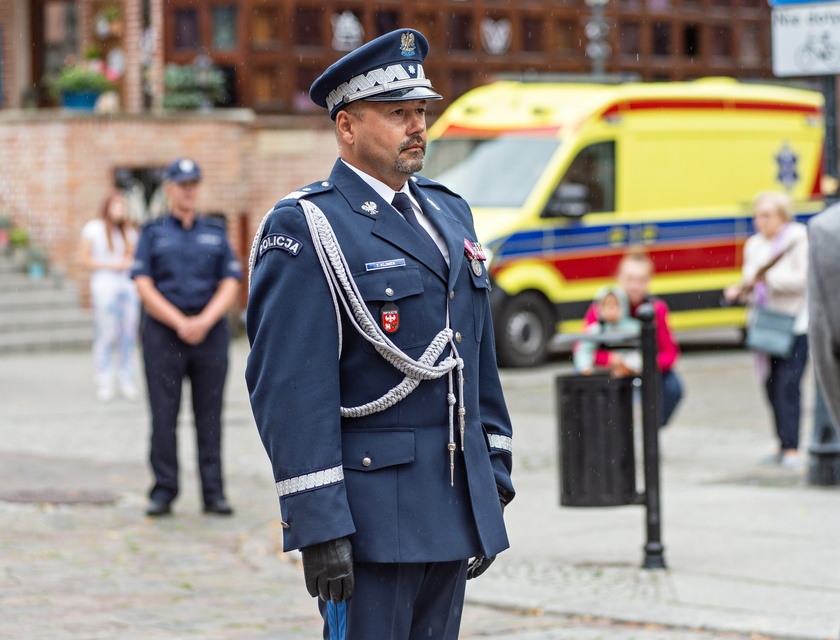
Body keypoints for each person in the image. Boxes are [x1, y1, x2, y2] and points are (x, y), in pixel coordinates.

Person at [245, 28, 514, 640]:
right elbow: (288, 388)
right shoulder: (308, 226)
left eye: (420, 112)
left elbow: (473, 353)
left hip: (451, 503)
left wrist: (491, 470)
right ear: (347, 127)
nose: (417, 126)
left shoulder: (450, 212)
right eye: (398, 114)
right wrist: (319, 525)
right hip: (370, 519)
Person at [130, 158, 242, 517]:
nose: (188, 190)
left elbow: (230, 281)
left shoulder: (215, 231)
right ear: (169, 189)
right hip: (165, 335)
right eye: (182, 184)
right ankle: (164, 490)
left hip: (210, 335)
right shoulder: (152, 232)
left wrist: (204, 321)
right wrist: (179, 321)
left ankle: (214, 492)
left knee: (210, 416)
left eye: (194, 183)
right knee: (164, 415)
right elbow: (143, 284)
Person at [724, 191, 809, 468]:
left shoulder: (798, 238)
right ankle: (781, 443)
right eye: (757, 215)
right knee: (770, 385)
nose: (760, 221)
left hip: (794, 324)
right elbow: (752, 283)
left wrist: (767, 279)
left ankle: (793, 447)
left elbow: (803, 280)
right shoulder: (754, 245)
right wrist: (742, 291)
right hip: (765, 324)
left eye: (766, 215)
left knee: (788, 385)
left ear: (782, 216)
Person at [582, 252, 683, 425]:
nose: (635, 286)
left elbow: (670, 354)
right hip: (608, 370)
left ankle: (651, 429)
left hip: (645, 368)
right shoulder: (604, 305)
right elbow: (584, 347)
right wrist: (612, 360)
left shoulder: (655, 309)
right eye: (630, 279)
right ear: (619, 278)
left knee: (673, 387)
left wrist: (643, 364)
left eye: (641, 280)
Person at [77, 190, 140, 402]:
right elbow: (84, 259)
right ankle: (104, 378)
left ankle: (126, 377)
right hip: (105, 288)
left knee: (128, 334)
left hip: (126, 288)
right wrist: (113, 264)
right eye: (116, 205)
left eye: (122, 206)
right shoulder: (93, 229)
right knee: (106, 333)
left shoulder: (128, 232)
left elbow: (133, 256)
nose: (120, 210)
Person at [574, 285, 641, 375]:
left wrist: (627, 364)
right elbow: (584, 349)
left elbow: (640, 351)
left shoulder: (634, 328)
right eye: (606, 305)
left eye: (615, 305)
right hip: (605, 372)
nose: (610, 309)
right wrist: (585, 367)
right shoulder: (597, 330)